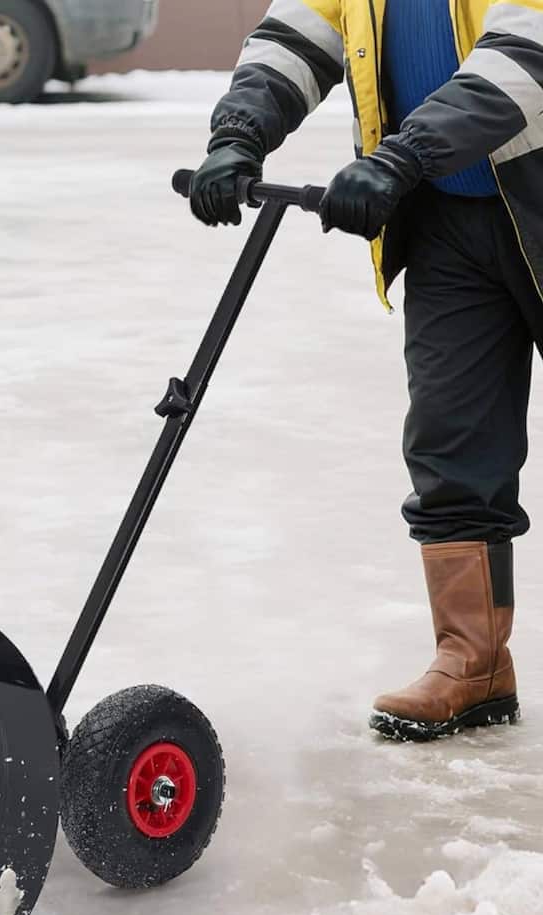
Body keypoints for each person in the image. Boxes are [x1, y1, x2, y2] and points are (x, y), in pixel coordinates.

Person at [188, 0, 543, 740]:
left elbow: (527, 51)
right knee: (452, 440)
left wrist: (401, 156)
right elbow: (298, 34)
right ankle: (472, 663)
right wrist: (237, 135)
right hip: (447, 218)